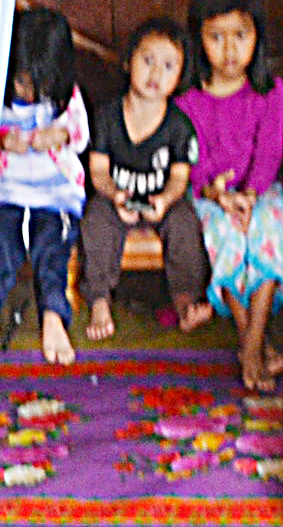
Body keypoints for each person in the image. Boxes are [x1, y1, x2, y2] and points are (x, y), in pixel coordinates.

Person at [179, 0, 283, 391]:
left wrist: (249, 195)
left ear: (257, 37)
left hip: (259, 191)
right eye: (216, 37)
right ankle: (252, 343)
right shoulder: (188, 98)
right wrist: (219, 194)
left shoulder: (270, 92)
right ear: (199, 39)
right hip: (209, 196)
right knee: (226, 236)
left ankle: (253, 338)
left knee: (268, 229)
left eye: (241, 36)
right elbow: (190, 157)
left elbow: (269, 153)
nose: (229, 51)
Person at [0, 7, 88, 365]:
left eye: (41, 85)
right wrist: (2, 141)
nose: (31, 94)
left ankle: (52, 316)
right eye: (22, 82)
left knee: (52, 249)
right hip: (7, 193)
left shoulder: (67, 100)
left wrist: (60, 133)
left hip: (56, 197)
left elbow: (80, 134)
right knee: (0, 241)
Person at [81, 17, 209, 342]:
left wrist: (164, 200)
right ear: (128, 62)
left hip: (158, 201)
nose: (155, 74)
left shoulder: (179, 125)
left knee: (184, 221)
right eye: (147, 61)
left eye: (168, 66)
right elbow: (98, 171)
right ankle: (98, 300)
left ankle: (184, 300)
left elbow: (180, 178)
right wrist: (115, 195)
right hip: (118, 199)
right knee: (96, 219)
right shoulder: (108, 116)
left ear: (180, 75)